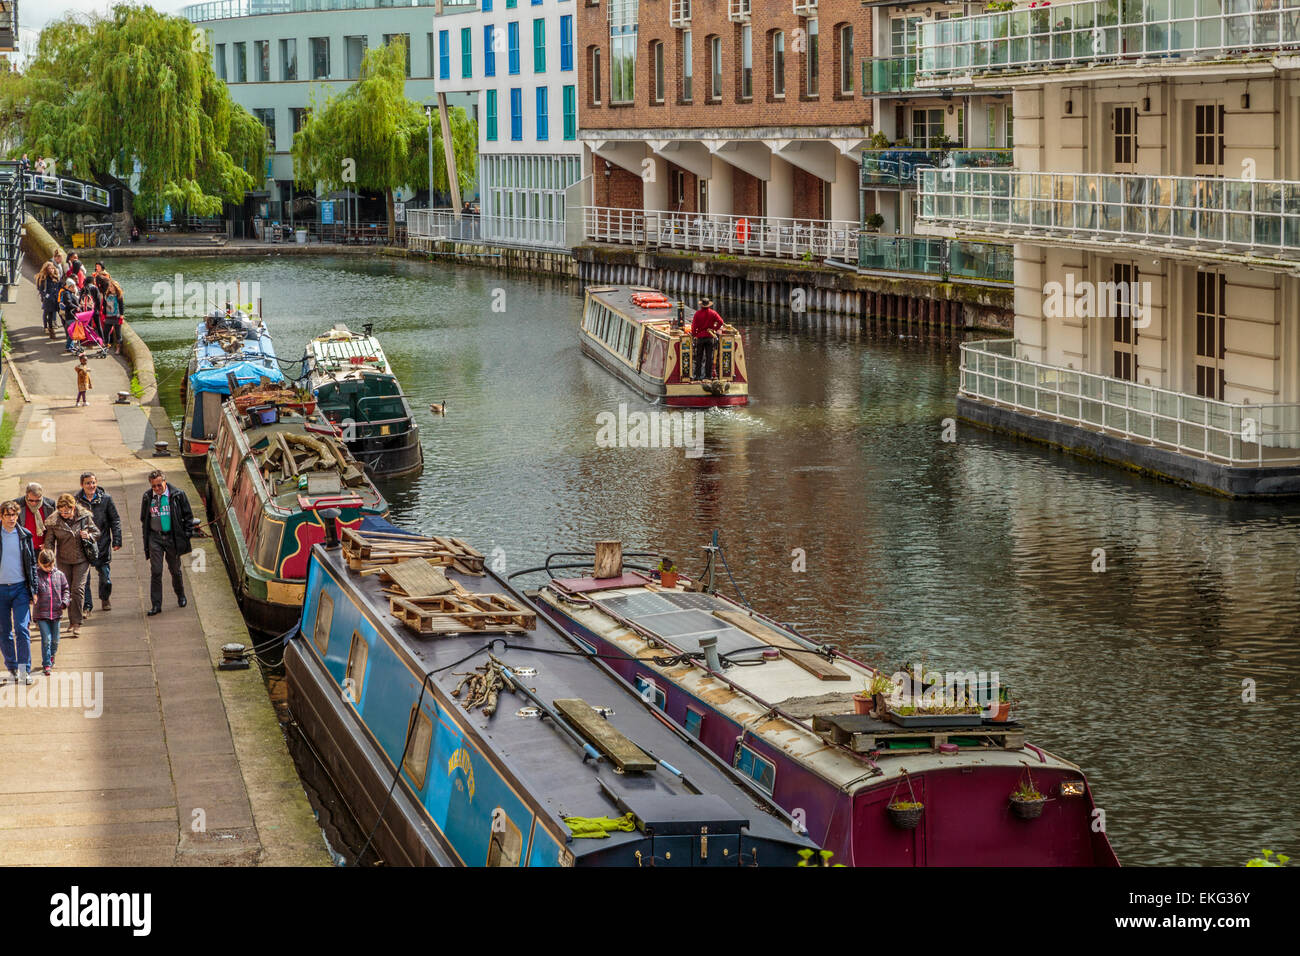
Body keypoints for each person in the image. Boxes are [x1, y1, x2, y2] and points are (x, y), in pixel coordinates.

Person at [44, 494, 97, 639]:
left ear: (73, 508)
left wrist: (88, 535)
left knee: (77, 589)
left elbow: (96, 532)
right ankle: (72, 621)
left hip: (81, 559)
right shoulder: (54, 522)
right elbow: (49, 541)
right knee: (66, 591)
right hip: (64, 560)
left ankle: (77, 623)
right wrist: (49, 556)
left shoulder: (84, 517)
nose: (64, 514)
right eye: (62, 511)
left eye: (67, 511)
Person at [140, 470, 193, 616]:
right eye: (154, 486)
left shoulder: (178, 495)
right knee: (156, 572)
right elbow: (144, 518)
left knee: (175, 570)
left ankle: (180, 595)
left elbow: (188, 517)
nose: (157, 489)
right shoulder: (147, 497)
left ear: (165, 481)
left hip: (172, 538)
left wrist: (186, 535)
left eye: (159, 485)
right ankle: (156, 605)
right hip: (155, 538)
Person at [0, 500, 39, 685]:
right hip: (0, 590)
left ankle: (25, 671)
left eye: (14, 515)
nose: (11, 518)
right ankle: (12, 667)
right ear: (1, 516)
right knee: (4, 631)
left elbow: (32, 563)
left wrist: (34, 589)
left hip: (20, 588)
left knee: (22, 629)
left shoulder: (25, 535)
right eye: (7, 515)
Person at [75, 472, 121, 614]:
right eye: (88, 483)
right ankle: (87, 605)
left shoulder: (106, 499)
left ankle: (105, 597)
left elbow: (115, 520)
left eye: (93, 482)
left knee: (105, 578)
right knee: (85, 579)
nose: (91, 486)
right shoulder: (76, 501)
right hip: (83, 546)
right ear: (82, 484)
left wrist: (117, 539)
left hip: (102, 544)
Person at [32, 550, 69, 677]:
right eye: (45, 566)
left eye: (50, 565)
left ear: (54, 562)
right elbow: (32, 590)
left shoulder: (60, 575)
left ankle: (52, 655)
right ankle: (46, 663)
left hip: (56, 613)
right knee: (46, 639)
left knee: (55, 640)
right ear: (40, 564)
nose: (48, 568)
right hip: (42, 614)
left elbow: (66, 590)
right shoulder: (36, 576)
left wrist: (65, 602)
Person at [13, 483, 56, 552]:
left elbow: (53, 528)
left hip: (43, 548)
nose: (34, 503)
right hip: (24, 548)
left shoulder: (50, 505)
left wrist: (48, 543)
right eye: (31, 500)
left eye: (38, 500)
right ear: (26, 495)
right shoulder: (16, 504)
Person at [690, 297, 725, 380]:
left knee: (699, 357)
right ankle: (708, 376)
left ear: (701, 305)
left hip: (700, 337)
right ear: (708, 305)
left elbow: (694, 326)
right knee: (709, 357)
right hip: (709, 337)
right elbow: (721, 322)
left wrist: (695, 334)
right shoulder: (713, 313)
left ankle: (698, 375)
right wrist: (715, 329)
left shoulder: (697, 314)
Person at [36, 261, 61, 338]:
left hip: (56, 299)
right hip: (48, 299)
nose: (51, 270)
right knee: (47, 313)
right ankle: (48, 329)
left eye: (52, 268)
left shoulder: (56, 277)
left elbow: (59, 287)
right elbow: (41, 289)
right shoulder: (44, 278)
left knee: (56, 313)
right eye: (49, 269)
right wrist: (47, 296)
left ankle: (52, 327)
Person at [100, 277, 124, 353]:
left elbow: (121, 306)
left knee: (118, 334)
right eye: (110, 286)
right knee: (106, 332)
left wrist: (121, 316)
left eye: (112, 286)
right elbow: (104, 305)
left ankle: (118, 348)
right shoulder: (106, 295)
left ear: (116, 287)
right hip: (108, 316)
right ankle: (106, 344)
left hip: (116, 316)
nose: (110, 288)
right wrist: (103, 315)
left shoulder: (119, 296)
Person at [58, 278, 80, 353]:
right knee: (72, 333)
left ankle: (70, 346)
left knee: (70, 333)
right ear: (69, 287)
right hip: (71, 316)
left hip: (70, 316)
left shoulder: (68, 293)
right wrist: (76, 307)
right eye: (73, 287)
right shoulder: (67, 293)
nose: (74, 288)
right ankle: (68, 346)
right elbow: (68, 303)